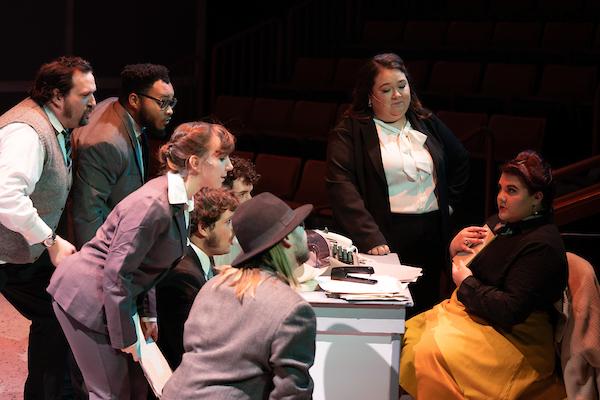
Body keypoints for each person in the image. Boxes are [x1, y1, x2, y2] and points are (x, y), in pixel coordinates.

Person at [47, 121, 234, 400]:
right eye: (221, 157)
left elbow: (148, 266)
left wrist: (148, 314)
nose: (229, 166)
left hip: (114, 296)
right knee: (111, 392)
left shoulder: (181, 201)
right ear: (195, 162)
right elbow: (116, 273)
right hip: (85, 296)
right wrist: (126, 336)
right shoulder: (152, 206)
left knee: (136, 390)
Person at [399, 150, 568, 399]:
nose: (501, 198)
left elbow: (510, 310)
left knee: (429, 353)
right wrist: (453, 249)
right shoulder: (501, 224)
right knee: (408, 333)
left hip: (516, 338)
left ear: (537, 198)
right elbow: (464, 269)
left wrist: (466, 283)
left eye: (512, 191)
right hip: (475, 318)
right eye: (500, 189)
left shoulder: (542, 246)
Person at [326, 52, 469, 314]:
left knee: (425, 310)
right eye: (386, 89)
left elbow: (460, 160)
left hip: (430, 234)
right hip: (384, 236)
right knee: (389, 313)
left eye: (402, 86)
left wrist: (448, 205)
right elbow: (341, 186)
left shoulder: (425, 121)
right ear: (370, 96)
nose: (397, 95)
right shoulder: (349, 131)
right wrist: (370, 236)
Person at [0, 56, 96, 399]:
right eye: (85, 95)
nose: (93, 103)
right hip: (8, 255)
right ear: (57, 96)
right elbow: (6, 197)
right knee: (57, 312)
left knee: (59, 310)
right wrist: (51, 240)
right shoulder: (27, 132)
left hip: (21, 250)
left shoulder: (53, 126)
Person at [162, 192, 316, 400]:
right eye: (301, 226)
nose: (306, 233)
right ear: (287, 239)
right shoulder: (293, 310)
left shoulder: (214, 285)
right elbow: (292, 394)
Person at [71, 63, 175, 249]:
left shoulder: (116, 106)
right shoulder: (106, 144)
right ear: (134, 100)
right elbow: (87, 214)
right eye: (162, 102)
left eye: (172, 102)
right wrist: (94, 266)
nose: (169, 111)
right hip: (100, 248)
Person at [156, 187, 238, 369]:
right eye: (228, 222)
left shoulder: (203, 261)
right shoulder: (183, 277)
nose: (234, 230)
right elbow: (188, 348)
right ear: (203, 228)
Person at [214, 155, 261, 266]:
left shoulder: (250, 222)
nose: (250, 199)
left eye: (250, 192)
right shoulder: (213, 227)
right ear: (223, 193)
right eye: (242, 194)